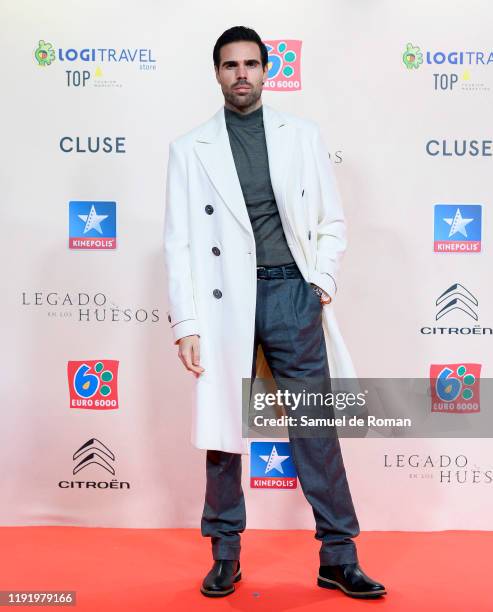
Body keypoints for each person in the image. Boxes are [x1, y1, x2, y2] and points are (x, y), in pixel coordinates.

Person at [163, 25, 386, 600]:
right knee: (223, 431)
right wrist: (186, 323)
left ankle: (339, 556)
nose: (241, 73)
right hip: (222, 301)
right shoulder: (189, 149)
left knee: (314, 427)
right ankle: (225, 554)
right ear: (216, 74)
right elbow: (180, 243)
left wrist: (318, 285)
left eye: (251, 64)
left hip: (291, 293)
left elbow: (332, 221)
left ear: (268, 70)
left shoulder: (302, 135)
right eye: (230, 65)